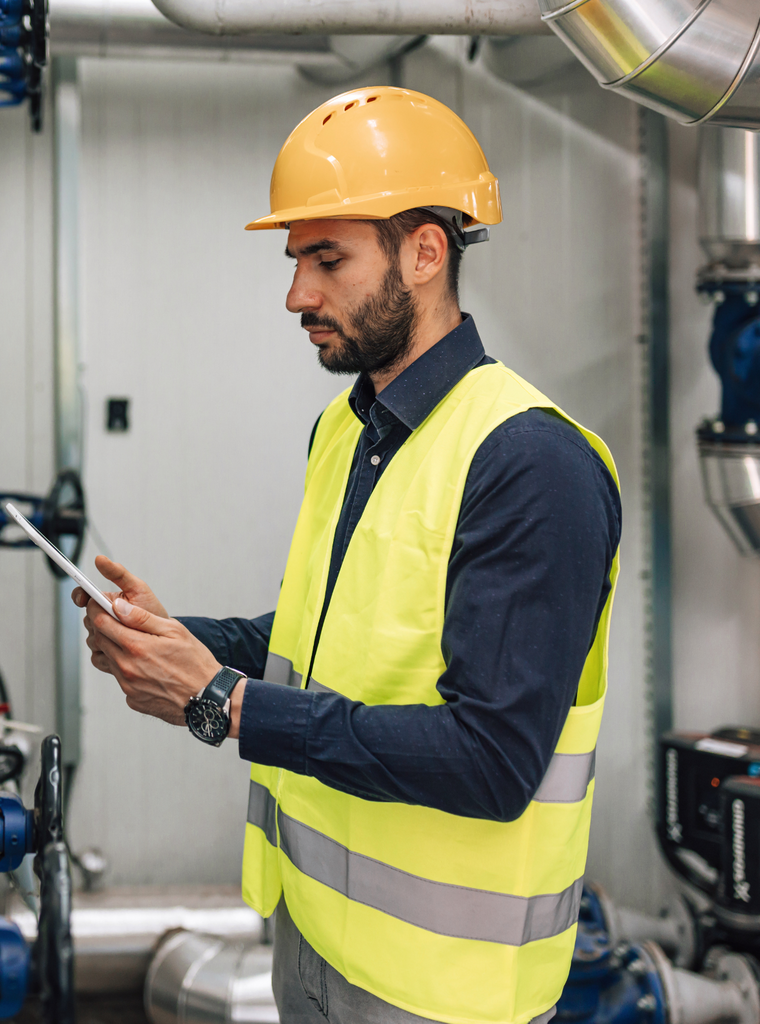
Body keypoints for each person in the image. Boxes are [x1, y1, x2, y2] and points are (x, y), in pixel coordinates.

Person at [72, 87, 621, 1024]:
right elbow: (327, 635)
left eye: (328, 260)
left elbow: (492, 761)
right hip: (314, 943)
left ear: (425, 253)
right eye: (296, 261)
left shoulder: (531, 462)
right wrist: (181, 642)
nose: (297, 294)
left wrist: (223, 703)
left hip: (443, 993)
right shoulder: (346, 428)